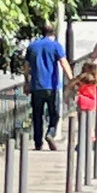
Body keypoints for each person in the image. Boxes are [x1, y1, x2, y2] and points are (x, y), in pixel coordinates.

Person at [24, 23, 71, 153]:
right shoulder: (56, 46)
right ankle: (50, 133)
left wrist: (26, 83)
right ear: (53, 33)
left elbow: (26, 66)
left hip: (36, 85)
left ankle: (38, 143)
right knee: (54, 113)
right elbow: (63, 63)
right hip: (52, 85)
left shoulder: (32, 46)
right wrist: (71, 79)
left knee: (37, 115)